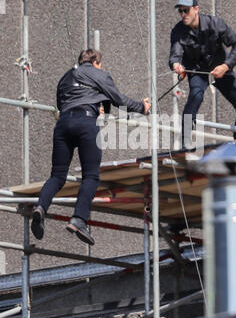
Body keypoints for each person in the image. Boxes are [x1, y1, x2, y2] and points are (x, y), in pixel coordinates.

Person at [31, 49, 151, 245]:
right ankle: (79, 219)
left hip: (63, 124)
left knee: (57, 176)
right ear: (96, 62)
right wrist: (141, 107)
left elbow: (64, 103)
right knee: (91, 176)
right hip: (85, 123)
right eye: (101, 65)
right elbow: (118, 99)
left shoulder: (64, 78)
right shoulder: (98, 73)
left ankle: (41, 208)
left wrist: (97, 106)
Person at [169, 0, 236, 149]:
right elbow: (175, 53)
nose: (183, 15)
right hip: (196, 70)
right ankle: (185, 143)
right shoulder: (178, 31)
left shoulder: (215, 23)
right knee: (195, 96)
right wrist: (176, 65)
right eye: (180, 11)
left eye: (186, 10)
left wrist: (226, 66)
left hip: (220, 67)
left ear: (196, 9)